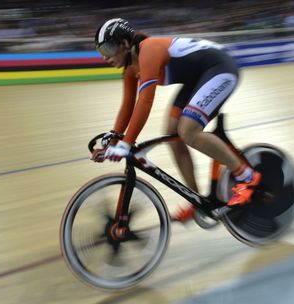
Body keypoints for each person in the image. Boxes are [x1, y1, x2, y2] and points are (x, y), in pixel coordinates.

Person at [92, 18, 261, 223]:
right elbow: (128, 106)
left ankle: (247, 177)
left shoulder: (149, 50)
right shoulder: (129, 70)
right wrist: (113, 142)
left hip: (221, 67)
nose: (104, 57)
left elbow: (145, 101)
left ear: (125, 44)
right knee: (172, 132)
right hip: (199, 77)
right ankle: (197, 201)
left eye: (108, 48)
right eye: (101, 50)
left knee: (188, 131)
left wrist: (126, 144)